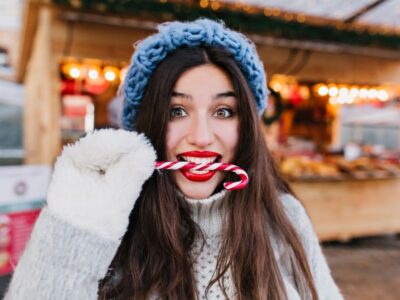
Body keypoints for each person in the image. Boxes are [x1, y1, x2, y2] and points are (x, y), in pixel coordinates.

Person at [4, 19, 343, 300]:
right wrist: (74, 227)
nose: (200, 136)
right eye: (176, 110)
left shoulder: (284, 218)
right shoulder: (113, 223)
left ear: (248, 128)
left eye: (223, 111)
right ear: (149, 122)